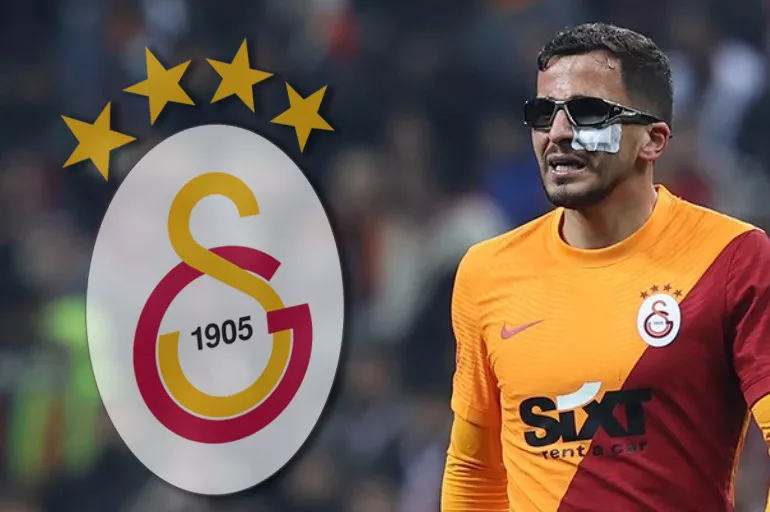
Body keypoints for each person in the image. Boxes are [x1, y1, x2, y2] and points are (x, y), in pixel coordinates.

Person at [440, 22, 770, 511]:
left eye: (588, 113)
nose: (558, 133)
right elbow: (475, 470)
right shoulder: (486, 273)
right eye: (543, 114)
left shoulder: (733, 257)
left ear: (653, 140)